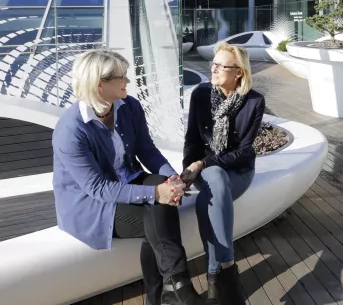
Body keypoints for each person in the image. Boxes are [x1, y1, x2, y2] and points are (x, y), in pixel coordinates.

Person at [52, 49, 204, 305]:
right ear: (100, 84)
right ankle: (175, 290)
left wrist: (173, 180)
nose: (128, 82)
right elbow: (98, 188)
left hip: (126, 181)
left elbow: (147, 151)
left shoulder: (129, 106)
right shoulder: (70, 130)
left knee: (161, 195)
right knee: (156, 213)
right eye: (121, 77)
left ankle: (172, 290)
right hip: (92, 205)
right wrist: (157, 194)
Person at [181, 43, 265, 305]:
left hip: (238, 170)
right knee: (214, 177)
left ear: (238, 72)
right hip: (205, 169)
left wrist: (203, 164)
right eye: (213, 64)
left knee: (210, 190)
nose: (213, 69)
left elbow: (242, 151)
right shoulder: (201, 94)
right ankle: (227, 267)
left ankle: (216, 280)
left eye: (220, 66)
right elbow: (192, 139)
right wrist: (190, 167)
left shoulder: (254, 102)